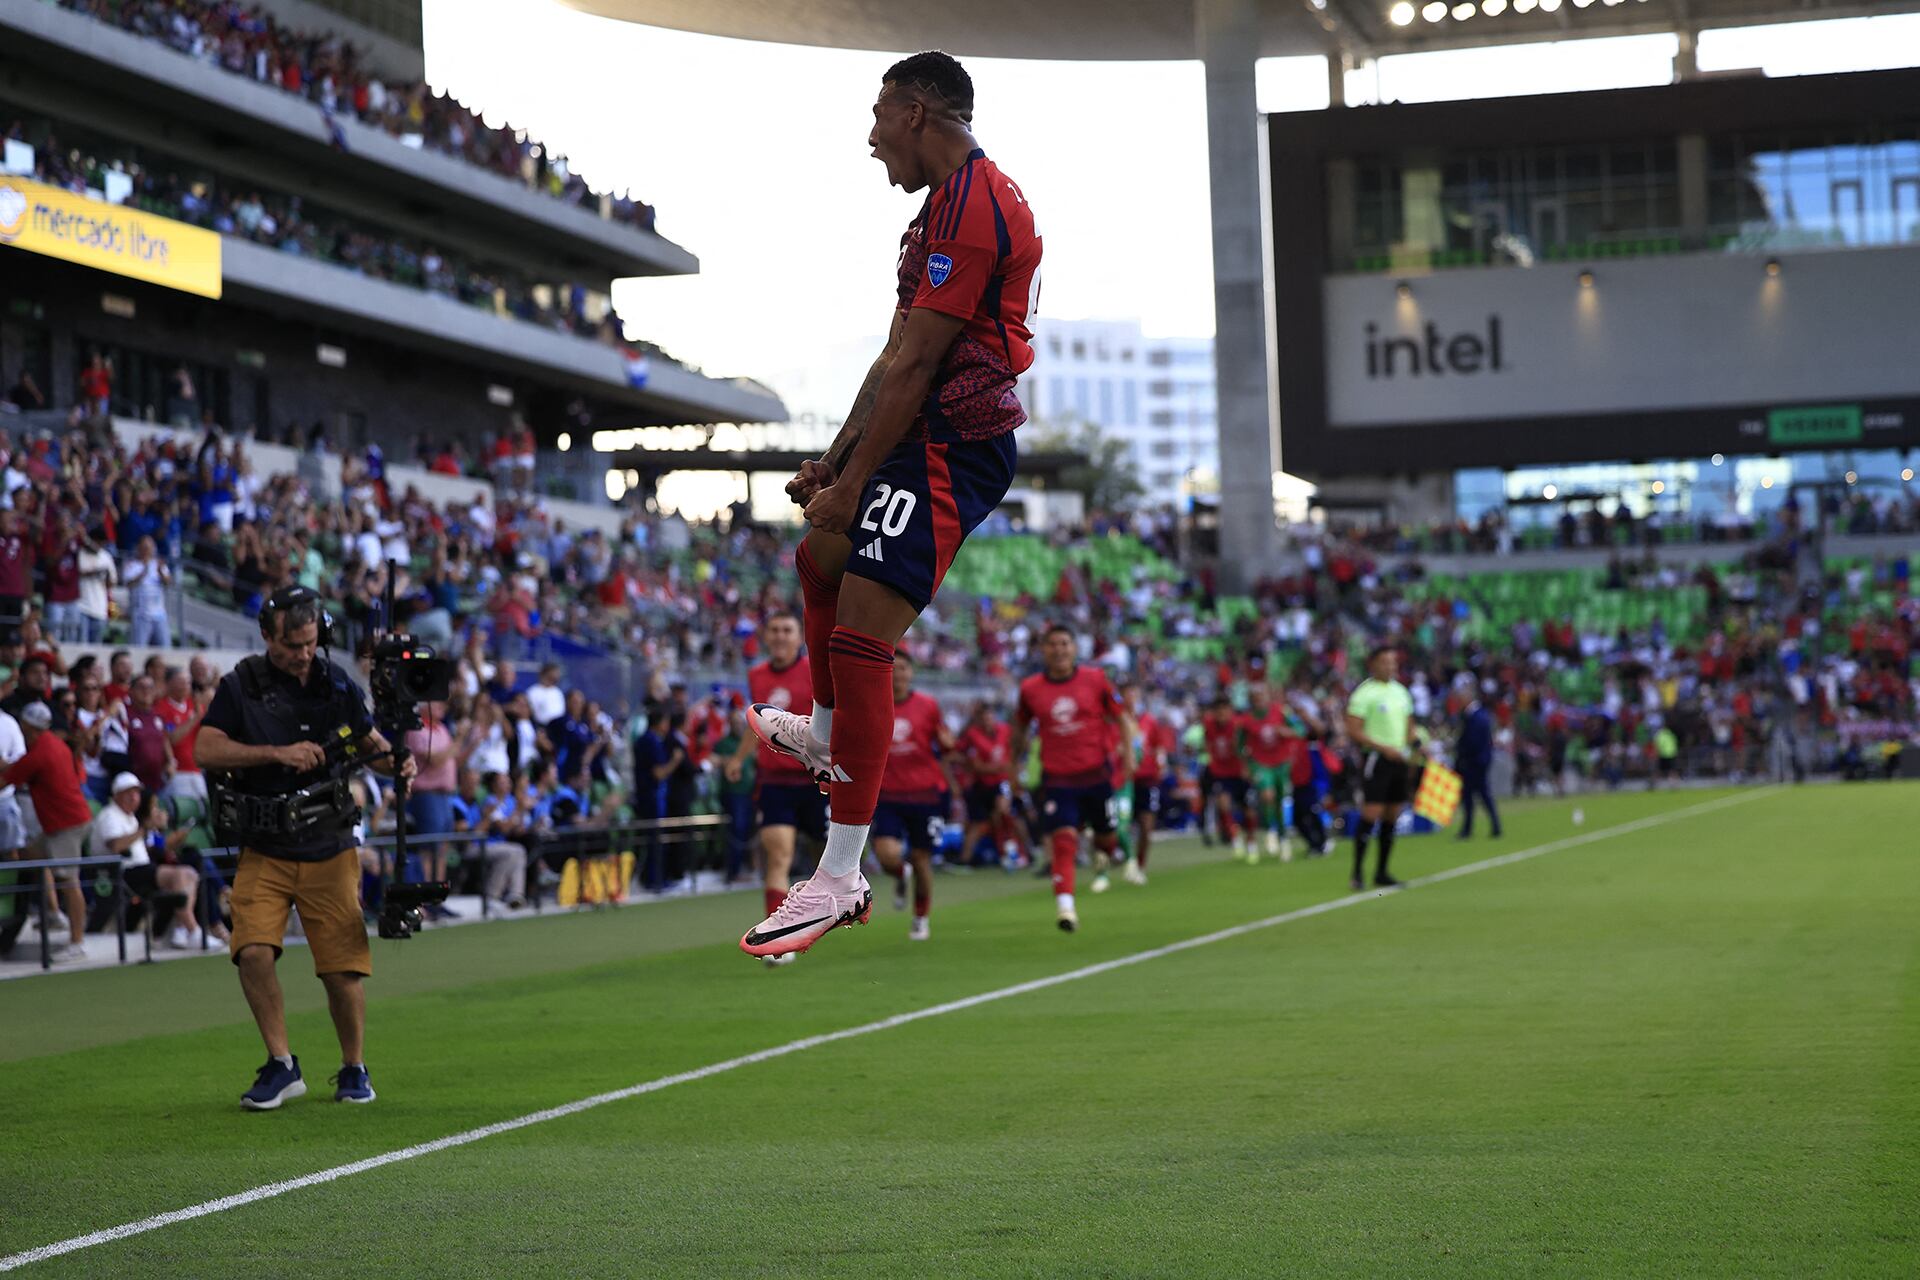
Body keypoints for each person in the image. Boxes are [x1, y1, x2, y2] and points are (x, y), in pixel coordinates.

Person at [740, 50, 1042, 959]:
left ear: (917, 110)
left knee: (862, 641)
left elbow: (917, 367)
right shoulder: (937, 216)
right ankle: (828, 734)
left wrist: (856, 484)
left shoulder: (979, 207)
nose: (872, 140)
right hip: (919, 435)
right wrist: (833, 466)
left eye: (878, 117)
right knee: (813, 561)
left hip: (954, 446)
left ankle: (837, 874)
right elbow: (891, 356)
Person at [194, 586, 415, 1110]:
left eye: (309, 642)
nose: (301, 653)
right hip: (264, 845)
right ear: (267, 636)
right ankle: (281, 1063)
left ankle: (353, 1067)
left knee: (342, 968)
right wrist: (275, 752)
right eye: (290, 644)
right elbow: (205, 748)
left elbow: (367, 744)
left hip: (329, 844)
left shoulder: (335, 681)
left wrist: (396, 761)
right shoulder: (241, 684)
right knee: (251, 952)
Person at [1010, 625, 1133, 933]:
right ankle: (1066, 908)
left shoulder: (1096, 679)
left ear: (1075, 649)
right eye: (1052, 644)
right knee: (1062, 841)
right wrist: (1013, 766)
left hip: (1096, 775)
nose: (1059, 649)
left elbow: (1121, 717)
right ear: (1043, 651)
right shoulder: (1030, 689)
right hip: (1058, 779)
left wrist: (1129, 756)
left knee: (1108, 841)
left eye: (1064, 643)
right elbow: (1019, 729)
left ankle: (1099, 841)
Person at [725, 614, 824, 966]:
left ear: (800, 637)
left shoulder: (818, 669)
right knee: (779, 856)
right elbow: (757, 727)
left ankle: (818, 915)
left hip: (817, 778)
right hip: (775, 782)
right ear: (766, 637)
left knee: (821, 857)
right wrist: (738, 759)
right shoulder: (757, 676)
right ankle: (778, 941)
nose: (780, 636)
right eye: (775, 631)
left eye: (787, 630)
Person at [870, 653, 955, 941]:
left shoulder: (927, 706)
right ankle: (899, 874)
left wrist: (948, 745)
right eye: (893, 669)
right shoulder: (874, 704)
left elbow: (946, 744)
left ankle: (920, 917)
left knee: (922, 859)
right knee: (885, 855)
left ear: (911, 673)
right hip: (888, 794)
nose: (898, 674)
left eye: (904, 668)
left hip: (925, 793)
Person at [2, 701, 93, 954]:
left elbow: (6, 779)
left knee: (69, 881)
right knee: (30, 856)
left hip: (66, 826)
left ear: (30, 727)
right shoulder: (51, 743)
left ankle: (77, 942)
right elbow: (16, 769)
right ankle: (51, 911)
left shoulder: (39, 754)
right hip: (65, 822)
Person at [91, 773, 201, 947]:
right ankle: (192, 930)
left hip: (142, 869)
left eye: (136, 792)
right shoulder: (109, 815)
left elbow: (153, 847)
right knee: (180, 875)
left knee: (190, 873)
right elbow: (116, 846)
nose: (134, 797)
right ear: (117, 795)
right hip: (122, 872)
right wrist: (144, 829)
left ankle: (180, 930)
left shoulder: (131, 817)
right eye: (128, 792)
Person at [1345, 646, 1415, 892]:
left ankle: (1382, 871)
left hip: (1399, 758)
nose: (1390, 666)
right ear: (1373, 664)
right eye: (1385, 662)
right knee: (1371, 813)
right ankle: (1357, 872)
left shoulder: (1401, 692)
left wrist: (1409, 744)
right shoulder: (1364, 694)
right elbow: (1353, 730)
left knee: (1392, 814)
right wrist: (1383, 747)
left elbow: (1409, 724)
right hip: (1377, 758)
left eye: (1393, 662)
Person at [955, 700, 1020, 869]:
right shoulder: (972, 735)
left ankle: (1014, 852)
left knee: (1004, 813)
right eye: (984, 718)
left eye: (990, 718)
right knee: (978, 823)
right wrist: (995, 767)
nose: (988, 722)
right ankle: (964, 860)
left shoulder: (1005, 730)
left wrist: (1012, 773)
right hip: (980, 785)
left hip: (1001, 782)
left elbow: (1013, 751)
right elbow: (972, 763)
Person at [1124, 684, 1176, 886]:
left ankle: (1140, 865)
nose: (1131, 698)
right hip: (1123, 780)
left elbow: (1158, 746)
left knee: (1146, 825)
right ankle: (1122, 861)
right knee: (1119, 826)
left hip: (1147, 778)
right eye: (1127, 694)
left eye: (1134, 694)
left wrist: (1161, 763)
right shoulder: (1117, 721)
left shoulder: (1149, 722)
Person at [1244, 684, 1302, 861]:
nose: (1259, 701)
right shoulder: (1246, 721)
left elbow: (1300, 729)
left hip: (1281, 763)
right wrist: (1247, 765)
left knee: (1279, 799)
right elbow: (1240, 745)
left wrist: (1286, 731)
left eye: (1261, 696)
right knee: (1267, 796)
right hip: (1262, 765)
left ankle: (1283, 837)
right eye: (1255, 698)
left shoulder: (1281, 711)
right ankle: (1270, 830)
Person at [1201, 695, 1252, 862]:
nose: (1221, 714)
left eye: (1225, 710)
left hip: (1239, 772)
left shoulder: (1239, 725)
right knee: (1223, 804)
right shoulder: (1209, 725)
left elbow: (1247, 746)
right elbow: (1208, 744)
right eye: (1218, 710)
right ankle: (1235, 839)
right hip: (1221, 773)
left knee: (1248, 810)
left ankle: (1251, 841)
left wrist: (1247, 766)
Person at [1455, 695, 1501, 840]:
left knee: (1472, 796)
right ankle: (1493, 826)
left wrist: (1461, 752)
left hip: (1474, 762)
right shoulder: (1480, 715)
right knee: (1481, 794)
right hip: (1478, 761)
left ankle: (1469, 829)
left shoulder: (1476, 717)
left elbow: (1472, 741)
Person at [124, 537, 171, 647]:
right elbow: (128, 584)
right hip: (141, 614)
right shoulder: (132, 565)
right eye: (144, 547)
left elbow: (168, 583)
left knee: (165, 647)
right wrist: (143, 572)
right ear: (138, 548)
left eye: (149, 548)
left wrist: (160, 572)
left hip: (159, 614)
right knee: (139, 647)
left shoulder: (159, 565)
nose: (147, 550)